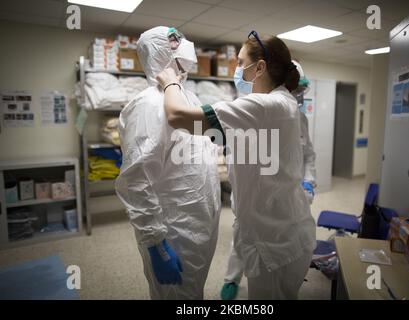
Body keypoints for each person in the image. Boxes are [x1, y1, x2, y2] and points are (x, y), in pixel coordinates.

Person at [156, 30, 316, 299]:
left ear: (260, 67)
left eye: (241, 63)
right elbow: (239, 139)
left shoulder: (263, 105)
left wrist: (170, 82)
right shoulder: (283, 102)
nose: (238, 69)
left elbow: (177, 116)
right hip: (288, 227)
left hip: (273, 241)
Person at [115, 26, 221, 300]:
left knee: (192, 292)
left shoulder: (186, 96)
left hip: (197, 223)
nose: (184, 44)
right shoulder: (149, 104)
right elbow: (136, 179)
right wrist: (156, 245)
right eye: (174, 41)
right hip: (175, 229)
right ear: (157, 51)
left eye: (182, 38)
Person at [220, 60, 317, 300]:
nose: (297, 95)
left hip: (287, 194)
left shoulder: (299, 118)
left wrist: (308, 180)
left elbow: (307, 154)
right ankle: (231, 278)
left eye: (299, 90)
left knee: (275, 250)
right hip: (253, 196)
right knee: (243, 237)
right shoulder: (249, 110)